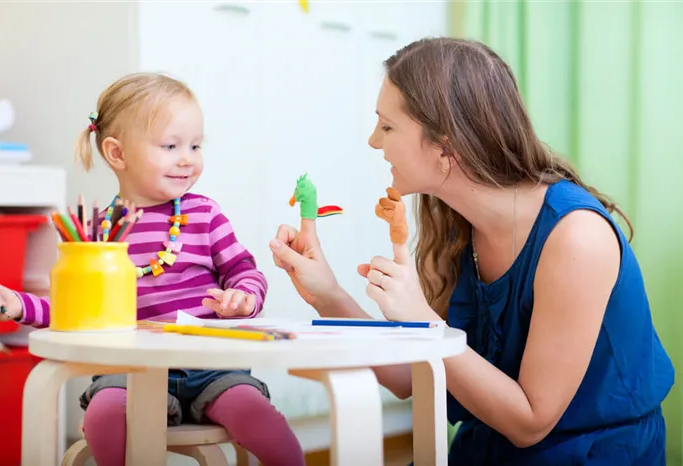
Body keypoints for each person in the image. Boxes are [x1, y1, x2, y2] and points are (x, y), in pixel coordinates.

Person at [268, 38, 674, 465]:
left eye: (387, 127)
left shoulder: (577, 239)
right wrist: (327, 293)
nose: (373, 141)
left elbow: (530, 421)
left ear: (446, 145)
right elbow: (413, 376)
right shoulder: (455, 223)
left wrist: (422, 318)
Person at [0, 72, 304, 466]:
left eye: (195, 145)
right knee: (104, 415)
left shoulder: (204, 214)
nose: (187, 158)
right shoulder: (97, 232)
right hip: (129, 369)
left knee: (260, 419)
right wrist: (20, 305)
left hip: (213, 367)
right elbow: (75, 310)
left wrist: (244, 297)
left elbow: (244, 270)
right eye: (170, 146)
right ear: (117, 154)